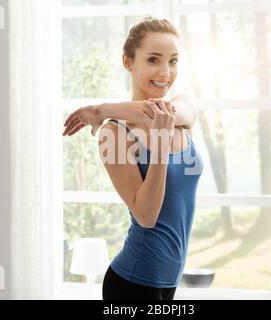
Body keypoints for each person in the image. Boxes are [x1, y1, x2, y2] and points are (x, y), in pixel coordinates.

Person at [63, 17, 204, 300]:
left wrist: (100, 108)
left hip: (169, 282)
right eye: (153, 60)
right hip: (133, 284)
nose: (165, 72)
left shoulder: (182, 107)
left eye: (173, 61)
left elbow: (167, 113)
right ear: (128, 61)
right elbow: (147, 216)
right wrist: (160, 146)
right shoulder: (115, 133)